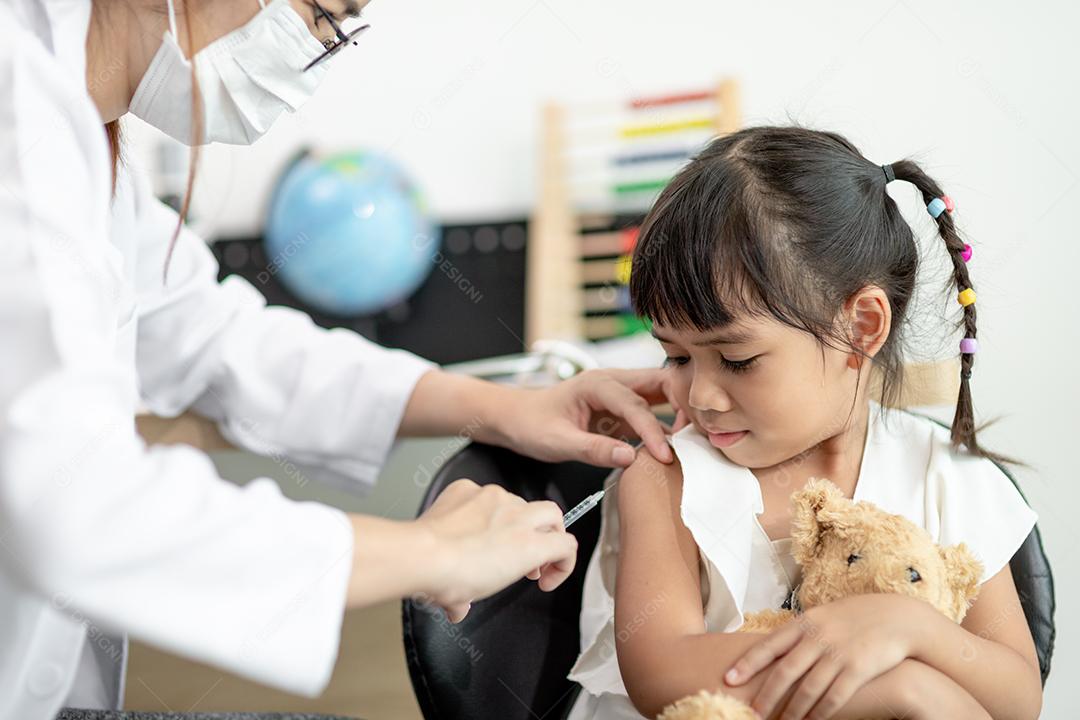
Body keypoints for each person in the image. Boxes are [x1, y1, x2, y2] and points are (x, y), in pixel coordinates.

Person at [0, 1, 683, 718]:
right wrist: (428, 552)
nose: (311, 52)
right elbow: (73, 512)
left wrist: (505, 407)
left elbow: (211, 337)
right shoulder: (19, 112)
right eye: (323, 13)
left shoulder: (73, 124)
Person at [566, 127, 1042, 720]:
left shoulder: (945, 475)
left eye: (737, 360)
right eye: (677, 357)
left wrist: (911, 628)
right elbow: (661, 671)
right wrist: (906, 692)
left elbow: (1018, 699)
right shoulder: (668, 478)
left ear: (861, 328)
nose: (701, 395)